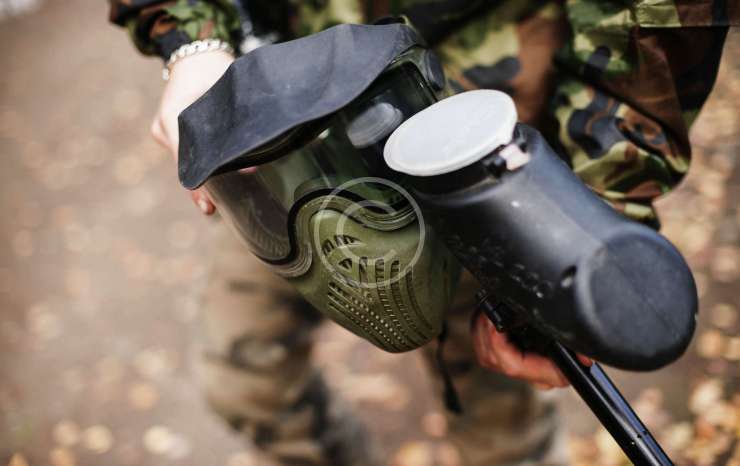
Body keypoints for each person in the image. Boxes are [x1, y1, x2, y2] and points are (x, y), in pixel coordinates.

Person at [108, 1, 737, 465]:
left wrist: (580, 219)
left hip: (476, 145)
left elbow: (663, 17)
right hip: (281, 147)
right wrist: (192, 43)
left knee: (504, 431)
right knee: (246, 379)